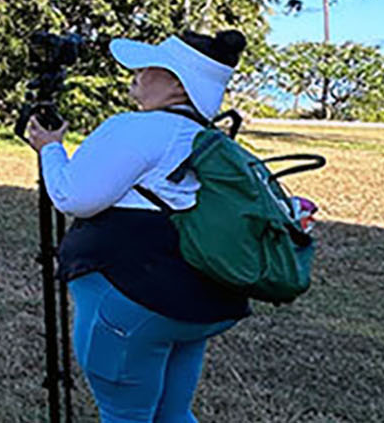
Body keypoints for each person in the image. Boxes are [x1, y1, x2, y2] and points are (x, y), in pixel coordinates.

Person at [26, 30, 252, 422]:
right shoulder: (210, 138)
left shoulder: (138, 128)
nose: (139, 72)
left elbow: (71, 196)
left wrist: (49, 148)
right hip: (197, 302)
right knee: (173, 413)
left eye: (151, 66)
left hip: (134, 305)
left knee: (125, 415)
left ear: (177, 83)